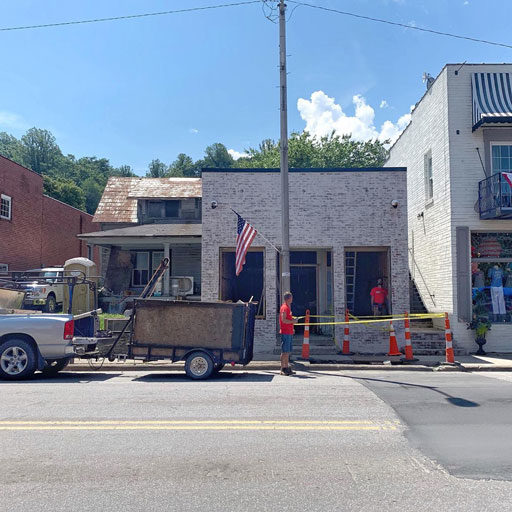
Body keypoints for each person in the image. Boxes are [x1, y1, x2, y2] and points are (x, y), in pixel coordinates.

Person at [279, 291, 297, 376]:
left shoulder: (288, 307)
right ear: (288, 298)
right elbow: (283, 319)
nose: (292, 299)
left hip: (289, 332)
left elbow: (288, 319)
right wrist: (293, 321)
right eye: (291, 297)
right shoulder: (284, 307)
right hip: (285, 332)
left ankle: (287, 367)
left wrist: (292, 327)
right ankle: (283, 368)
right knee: (284, 351)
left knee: (288, 351)